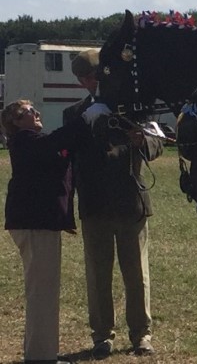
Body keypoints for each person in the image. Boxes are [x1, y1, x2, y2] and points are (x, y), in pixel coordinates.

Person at [63, 49, 163, 359]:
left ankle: (141, 334)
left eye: (92, 75)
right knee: (97, 274)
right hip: (94, 204)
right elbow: (71, 154)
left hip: (130, 202)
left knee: (136, 274)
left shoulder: (133, 108)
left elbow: (157, 142)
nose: (88, 82)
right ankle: (101, 336)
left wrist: (141, 141)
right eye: (83, 78)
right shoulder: (74, 113)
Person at [1, 99, 100, 364]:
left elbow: (62, 146)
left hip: (40, 224)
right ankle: (40, 357)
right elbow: (54, 143)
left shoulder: (34, 142)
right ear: (16, 122)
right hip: (35, 224)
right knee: (41, 293)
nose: (36, 113)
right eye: (28, 112)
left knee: (43, 291)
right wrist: (85, 118)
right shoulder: (23, 141)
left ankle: (40, 352)